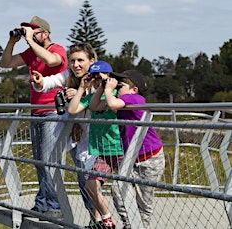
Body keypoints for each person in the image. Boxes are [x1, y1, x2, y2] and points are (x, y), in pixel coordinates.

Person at [0, 15, 67, 218]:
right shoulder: (30, 53)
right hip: (36, 111)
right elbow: (6, 63)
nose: (29, 33)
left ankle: (55, 206)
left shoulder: (57, 49)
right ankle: (42, 203)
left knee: (48, 160)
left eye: (33, 30)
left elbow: (50, 60)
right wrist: (12, 42)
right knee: (39, 161)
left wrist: (29, 40)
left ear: (45, 34)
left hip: (53, 111)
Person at [31, 43, 102, 226]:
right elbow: (50, 82)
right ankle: (95, 219)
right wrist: (40, 82)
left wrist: (80, 92)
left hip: (93, 137)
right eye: (73, 61)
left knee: (88, 178)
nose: (76, 65)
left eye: (81, 60)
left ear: (91, 61)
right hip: (75, 135)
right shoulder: (68, 76)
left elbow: (99, 95)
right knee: (82, 178)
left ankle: (102, 218)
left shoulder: (98, 78)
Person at [93, 70, 165, 228]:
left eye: (121, 85)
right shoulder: (122, 101)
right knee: (118, 190)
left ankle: (140, 226)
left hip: (150, 158)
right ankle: (130, 224)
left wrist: (108, 90)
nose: (117, 88)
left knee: (144, 202)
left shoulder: (135, 98)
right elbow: (94, 106)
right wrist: (102, 87)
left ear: (134, 89)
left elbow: (111, 103)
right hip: (133, 159)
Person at [69, 61, 124, 229]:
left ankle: (130, 221)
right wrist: (82, 87)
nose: (97, 82)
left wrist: (107, 89)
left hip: (120, 148)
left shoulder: (117, 94)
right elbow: (72, 109)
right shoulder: (92, 96)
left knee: (125, 189)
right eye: (94, 79)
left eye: (100, 78)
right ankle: (107, 219)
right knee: (90, 185)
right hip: (102, 151)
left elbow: (115, 105)